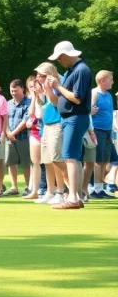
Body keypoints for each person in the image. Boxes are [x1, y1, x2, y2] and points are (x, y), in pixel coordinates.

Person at [47, 41, 92, 210]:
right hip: (70, 118)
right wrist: (49, 89)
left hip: (75, 117)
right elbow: (58, 100)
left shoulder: (81, 70)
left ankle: (73, 197)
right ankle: (76, 196)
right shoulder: (72, 71)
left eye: (59, 58)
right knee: (73, 158)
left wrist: (58, 85)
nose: (59, 61)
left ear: (66, 55)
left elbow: (77, 98)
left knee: (70, 157)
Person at [34, 62, 67, 204]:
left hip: (57, 123)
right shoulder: (46, 85)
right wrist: (40, 94)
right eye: (38, 75)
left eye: (41, 75)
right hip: (47, 124)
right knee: (47, 160)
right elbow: (44, 106)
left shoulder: (58, 83)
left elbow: (55, 103)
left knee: (56, 159)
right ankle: (50, 191)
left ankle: (61, 191)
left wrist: (47, 89)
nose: (39, 78)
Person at [89, 71, 115, 199]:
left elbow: (109, 114)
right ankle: (96, 189)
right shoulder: (94, 93)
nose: (112, 82)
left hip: (107, 131)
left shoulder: (109, 95)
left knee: (105, 160)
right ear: (102, 80)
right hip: (97, 130)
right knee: (98, 160)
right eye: (111, 79)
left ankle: (100, 188)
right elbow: (86, 111)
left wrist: (110, 132)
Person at [4, 79, 32, 195]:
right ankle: (14, 187)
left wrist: (13, 133)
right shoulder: (8, 104)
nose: (13, 93)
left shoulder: (29, 103)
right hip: (9, 138)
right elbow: (4, 119)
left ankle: (27, 187)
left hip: (24, 137)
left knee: (26, 163)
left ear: (22, 89)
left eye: (16, 90)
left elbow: (26, 120)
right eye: (12, 91)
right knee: (11, 162)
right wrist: (7, 133)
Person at [23, 75, 45, 200]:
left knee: (48, 163)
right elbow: (31, 113)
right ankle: (35, 191)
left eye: (35, 86)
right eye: (31, 87)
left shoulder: (47, 97)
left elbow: (40, 115)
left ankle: (52, 190)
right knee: (35, 162)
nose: (33, 89)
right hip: (35, 133)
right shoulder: (34, 98)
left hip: (45, 131)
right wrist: (34, 97)